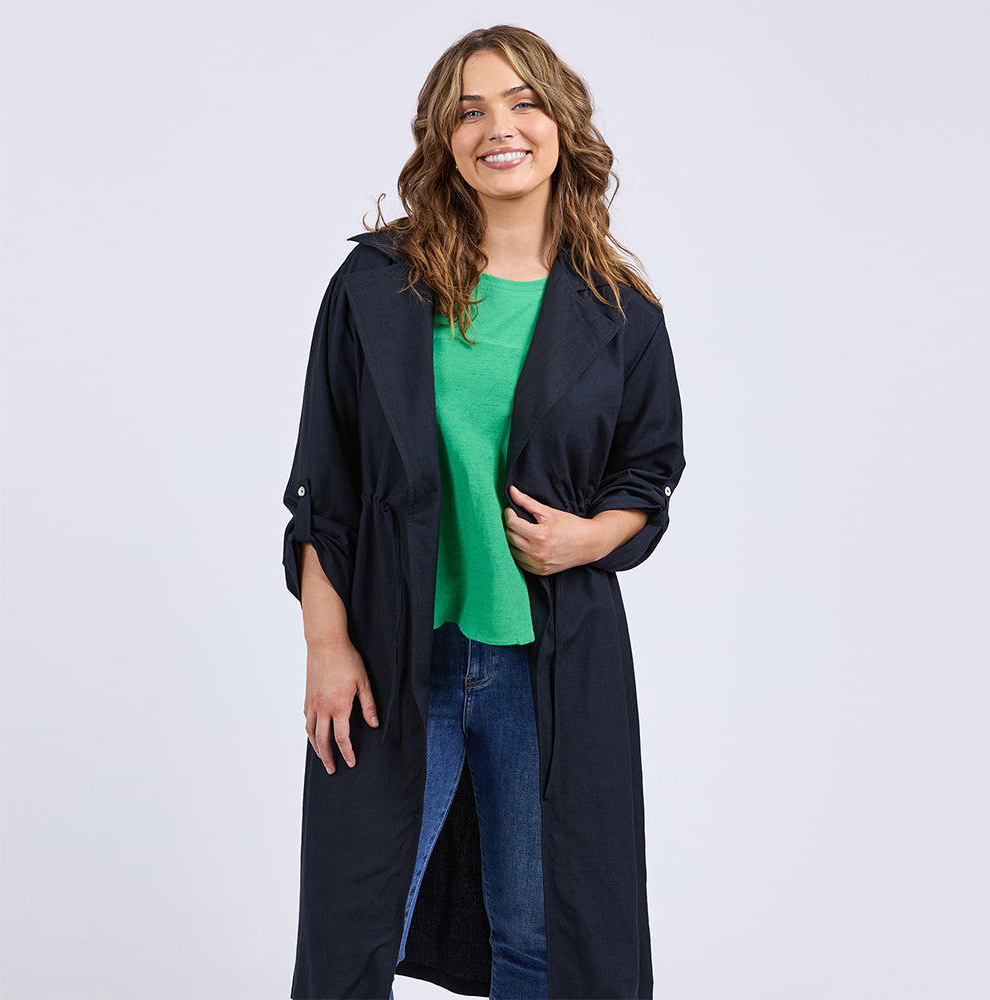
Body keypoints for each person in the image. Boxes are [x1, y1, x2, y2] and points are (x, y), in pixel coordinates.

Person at [281, 24, 686, 1000]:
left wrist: (591, 536)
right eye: (469, 110)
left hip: (548, 666)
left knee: (542, 940)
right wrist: (326, 646)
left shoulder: (620, 313)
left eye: (522, 102)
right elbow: (322, 484)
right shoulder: (377, 286)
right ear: (444, 139)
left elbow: (649, 472)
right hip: (393, 657)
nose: (498, 127)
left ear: (561, 124)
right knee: (352, 933)